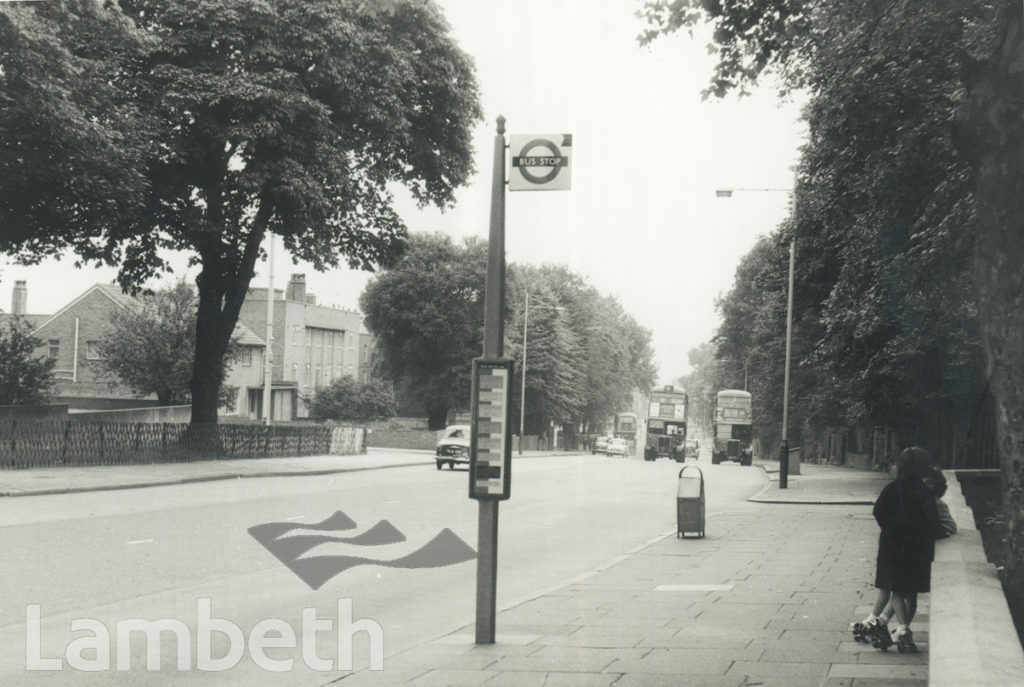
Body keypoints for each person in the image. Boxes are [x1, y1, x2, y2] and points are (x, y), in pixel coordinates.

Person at [850, 447, 941, 653]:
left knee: (895, 588)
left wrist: (891, 529)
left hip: (892, 545)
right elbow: (933, 521)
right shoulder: (924, 491)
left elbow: (878, 511)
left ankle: (900, 628)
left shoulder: (892, 488)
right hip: (917, 548)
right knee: (911, 592)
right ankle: (899, 629)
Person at [860, 466, 957, 638]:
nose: (925, 485)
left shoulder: (931, 501)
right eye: (924, 482)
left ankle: (896, 625)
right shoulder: (922, 498)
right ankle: (885, 622)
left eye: (929, 482)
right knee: (905, 592)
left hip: (911, 550)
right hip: (915, 549)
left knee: (900, 590)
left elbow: (946, 526)